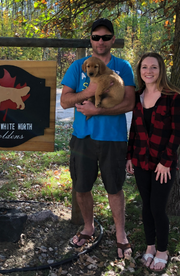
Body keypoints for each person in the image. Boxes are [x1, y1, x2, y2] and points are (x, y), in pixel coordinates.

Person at [60, 18, 135, 258]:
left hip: (113, 138)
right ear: (90, 39)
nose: (100, 41)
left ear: (113, 39)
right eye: (95, 37)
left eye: (105, 37)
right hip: (83, 137)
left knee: (114, 188)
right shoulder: (78, 66)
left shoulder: (123, 67)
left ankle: (121, 235)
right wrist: (89, 92)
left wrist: (98, 110)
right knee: (81, 187)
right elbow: (64, 101)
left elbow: (130, 102)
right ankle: (88, 227)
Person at [126, 52, 180, 271]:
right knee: (146, 206)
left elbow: (177, 133)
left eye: (153, 67)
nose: (148, 71)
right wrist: (130, 156)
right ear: (139, 71)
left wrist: (166, 161)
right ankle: (150, 246)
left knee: (157, 207)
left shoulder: (174, 97)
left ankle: (162, 250)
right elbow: (134, 129)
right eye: (144, 67)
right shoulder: (137, 96)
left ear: (161, 70)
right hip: (141, 160)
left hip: (163, 165)